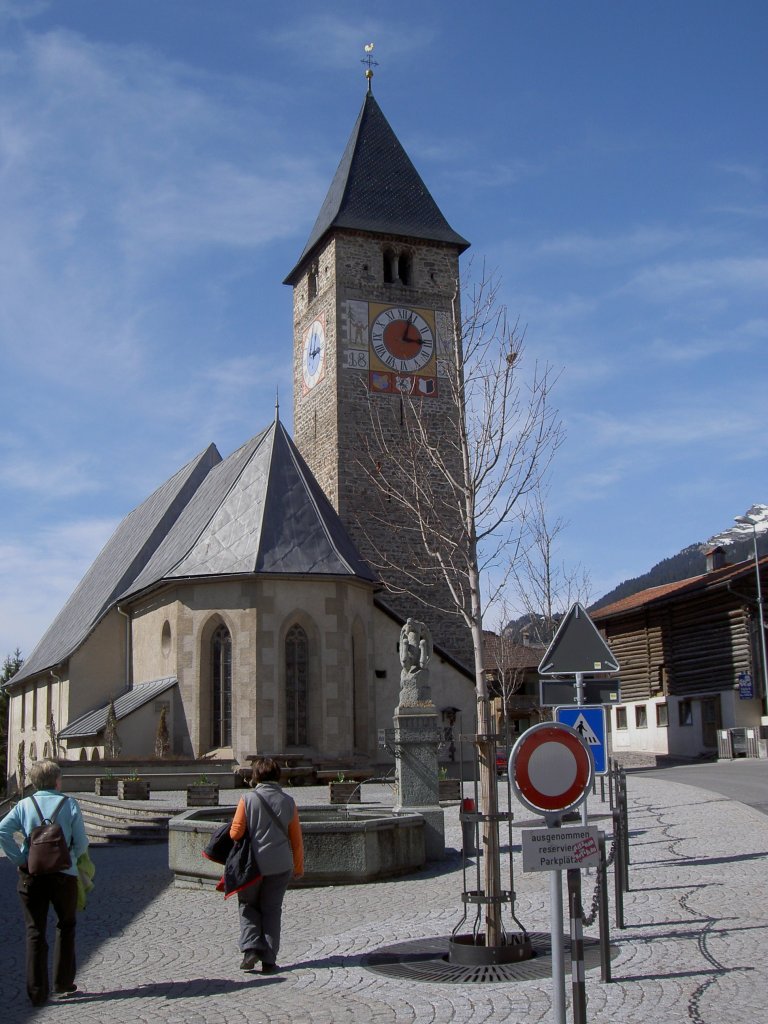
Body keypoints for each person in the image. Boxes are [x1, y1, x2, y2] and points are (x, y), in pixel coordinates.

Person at [0, 759, 89, 1006]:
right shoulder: (69, 804)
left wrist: (20, 857)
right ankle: (63, 983)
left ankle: (37, 991)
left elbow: (2, 831)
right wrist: (71, 857)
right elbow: (82, 843)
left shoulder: (24, 805)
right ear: (57, 780)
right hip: (64, 874)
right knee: (66, 925)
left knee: (35, 931)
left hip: (32, 874)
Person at [229, 757, 303, 974]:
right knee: (272, 910)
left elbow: (235, 833)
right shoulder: (289, 801)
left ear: (256, 776)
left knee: (248, 905)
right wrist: (298, 868)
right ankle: (269, 960)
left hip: (253, 865)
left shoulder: (247, 799)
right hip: (280, 865)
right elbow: (296, 840)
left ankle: (251, 949)